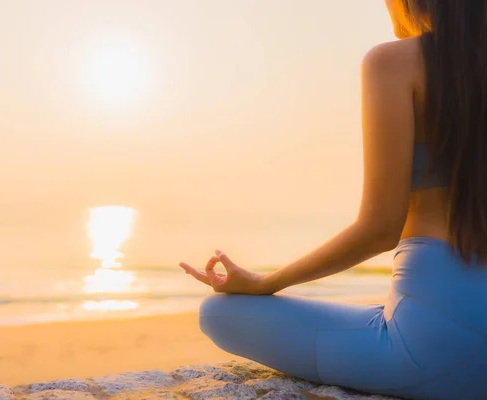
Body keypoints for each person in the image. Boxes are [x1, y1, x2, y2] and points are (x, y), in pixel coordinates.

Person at [178, 1, 487, 399]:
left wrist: (266, 282)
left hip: (436, 351)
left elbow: (379, 229)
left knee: (220, 313)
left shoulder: (394, 62)